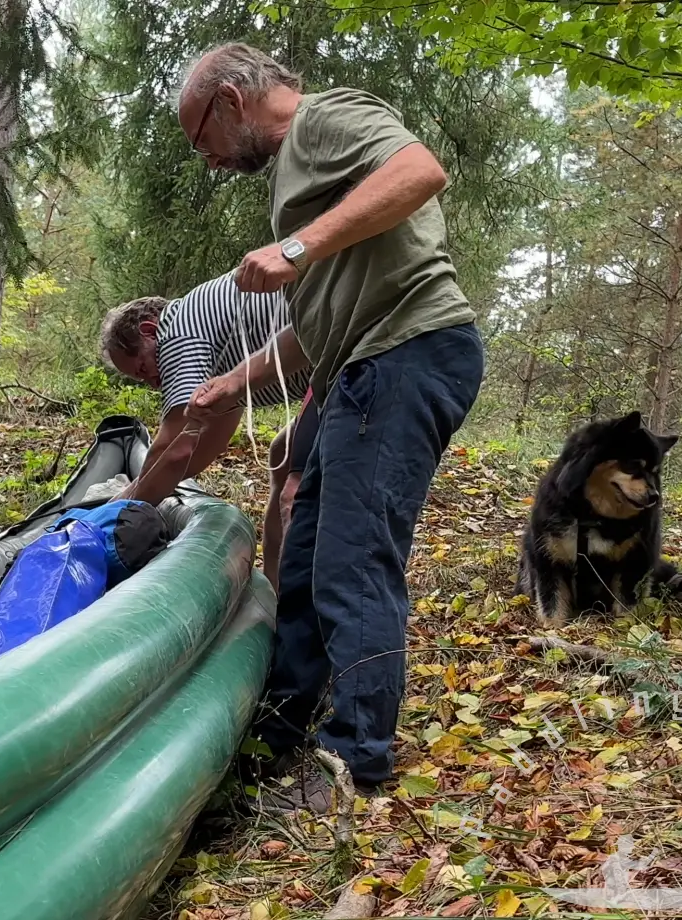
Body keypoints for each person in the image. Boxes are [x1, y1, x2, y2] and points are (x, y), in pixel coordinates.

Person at [177, 43, 485, 797]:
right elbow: (318, 316)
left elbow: (419, 171)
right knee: (310, 557)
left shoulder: (324, 118)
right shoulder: (296, 171)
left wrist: (295, 244)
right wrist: (234, 382)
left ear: (229, 101)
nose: (210, 163)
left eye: (201, 139)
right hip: (358, 366)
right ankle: (280, 732)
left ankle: (356, 761)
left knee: (353, 561)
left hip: (407, 350)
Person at [98, 272, 313, 583]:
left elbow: (173, 448)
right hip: (327, 362)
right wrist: (135, 490)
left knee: (296, 487)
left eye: (144, 368)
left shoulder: (178, 329)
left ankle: (299, 606)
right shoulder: (218, 353)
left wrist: (111, 518)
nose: (154, 383)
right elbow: (197, 452)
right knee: (284, 453)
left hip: (346, 348)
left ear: (149, 331)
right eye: (141, 381)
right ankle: (274, 594)